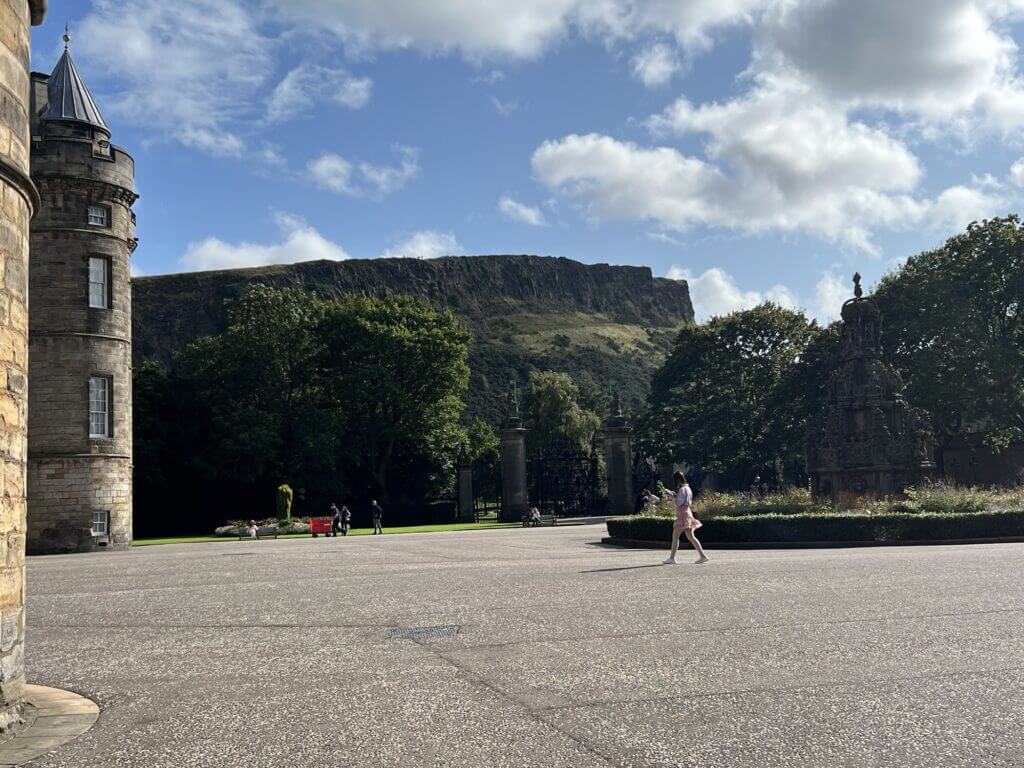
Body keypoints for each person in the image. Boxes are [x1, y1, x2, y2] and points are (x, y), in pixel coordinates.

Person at [662, 471, 709, 565]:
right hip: (688, 513)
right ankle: (702, 556)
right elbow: (685, 501)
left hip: (682, 515)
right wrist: (674, 496)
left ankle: (672, 558)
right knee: (691, 537)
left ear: (678, 480)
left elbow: (679, 503)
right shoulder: (688, 488)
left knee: (675, 537)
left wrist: (671, 497)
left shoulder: (682, 489)